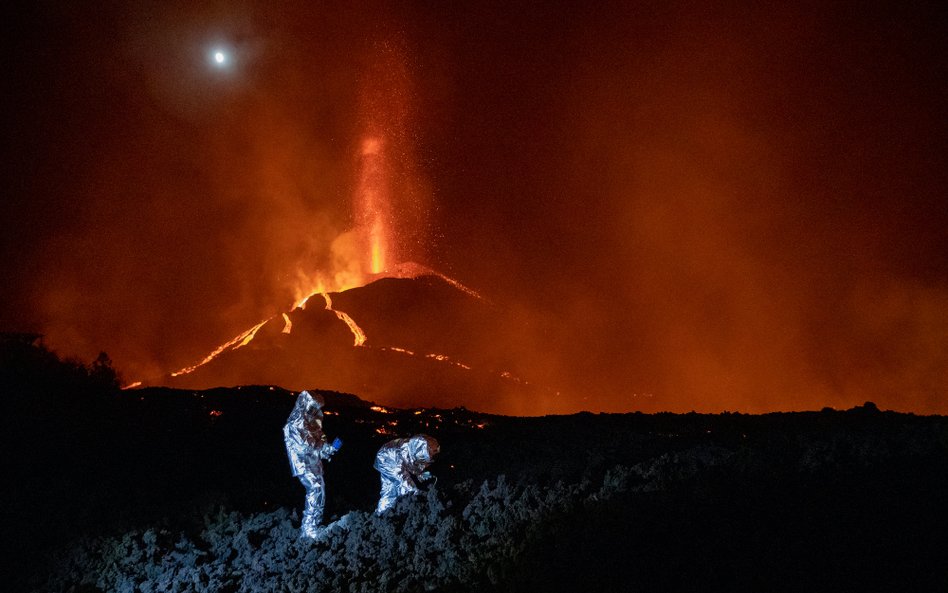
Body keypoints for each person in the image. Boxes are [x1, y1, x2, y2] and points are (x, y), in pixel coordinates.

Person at [283, 390, 341, 538]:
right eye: (313, 407)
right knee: (314, 489)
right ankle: (308, 529)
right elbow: (304, 446)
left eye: (317, 407)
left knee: (320, 491)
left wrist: (328, 449)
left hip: (315, 463)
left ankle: (315, 524)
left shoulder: (313, 421)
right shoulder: (295, 423)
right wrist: (322, 447)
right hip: (303, 464)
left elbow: (319, 441)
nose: (315, 410)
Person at [373, 434, 440, 514]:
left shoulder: (414, 448)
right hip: (387, 459)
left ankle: (385, 511)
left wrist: (420, 474)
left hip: (393, 458)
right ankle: (383, 513)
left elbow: (412, 462)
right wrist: (415, 492)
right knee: (393, 488)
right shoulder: (397, 455)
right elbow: (402, 477)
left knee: (395, 487)